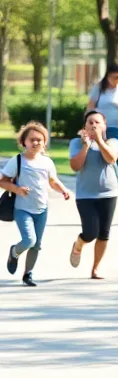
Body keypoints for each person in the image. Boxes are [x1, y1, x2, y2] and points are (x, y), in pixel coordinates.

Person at [1, 122, 71, 287]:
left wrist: (63, 190)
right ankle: (14, 251)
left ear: (44, 142)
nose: (36, 143)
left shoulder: (47, 162)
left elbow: (53, 181)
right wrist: (17, 189)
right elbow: (2, 181)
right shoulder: (17, 160)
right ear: (23, 142)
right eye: (32, 139)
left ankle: (28, 274)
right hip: (22, 209)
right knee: (29, 240)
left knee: (37, 244)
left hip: (42, 209)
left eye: (40, 140)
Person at [69, 110, 118, 279]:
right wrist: (86, 145)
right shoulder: (76, 143)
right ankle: (78, 244)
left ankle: (96, 268)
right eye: (90, 122)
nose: (94, 125)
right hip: (85, 195)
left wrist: (98, 140)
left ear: (104, 125)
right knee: (90, 232)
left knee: (104, 233)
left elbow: (111, 158)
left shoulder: (112, 142)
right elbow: (75, 166)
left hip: (109, 193)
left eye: (97, 122)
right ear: (84, 126)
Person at [87, 63, 118, 186]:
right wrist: (88, 124)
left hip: (117, 126)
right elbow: (90, 106)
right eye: (115, 77)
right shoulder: (99, 88)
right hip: (101, 127)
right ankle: (104, 176)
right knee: (100, 151)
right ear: (108, 76)